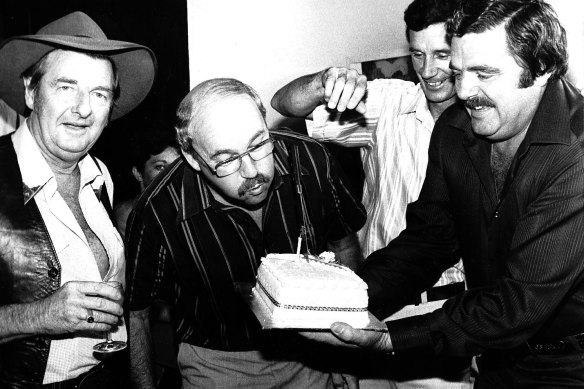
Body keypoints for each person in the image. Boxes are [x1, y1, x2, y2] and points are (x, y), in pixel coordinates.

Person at [301, 0, 584, 387]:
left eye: (484, 73)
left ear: (543, 69)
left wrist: (389, 339)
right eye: (459, 71)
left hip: (570, 367)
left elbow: (519, 304)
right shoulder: (455, 128)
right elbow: (429, 240)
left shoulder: (577, 153)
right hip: (495, 355)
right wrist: (346, 300)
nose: (464, 91)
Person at [272, 0, 469, 386]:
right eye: (418, 54)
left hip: (446, 312)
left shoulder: (486, 121)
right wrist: (326, 81)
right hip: (374, 303)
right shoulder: (388, 102)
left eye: (442, 55)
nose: (428, 71)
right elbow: (284, 103)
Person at [125, 78, 366, 389]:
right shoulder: (158, 211)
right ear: (193, 158)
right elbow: (137, 313)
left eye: (257, 144)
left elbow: (343, 244)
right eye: (226, 160)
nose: (252, 172)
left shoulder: (312, 161)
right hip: (216, 366)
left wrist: (344, 351)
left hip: (313, 353)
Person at [0, 11, 156, 388]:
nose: (84, 109)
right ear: (31, 91)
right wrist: (39, 315)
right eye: (66, 87)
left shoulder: (100, 176)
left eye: (99, 93)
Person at [114, 129, 180, 239]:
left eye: (177, 166)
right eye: (160, 167)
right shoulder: (126, 216)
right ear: (138, 173)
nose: (172, 173)